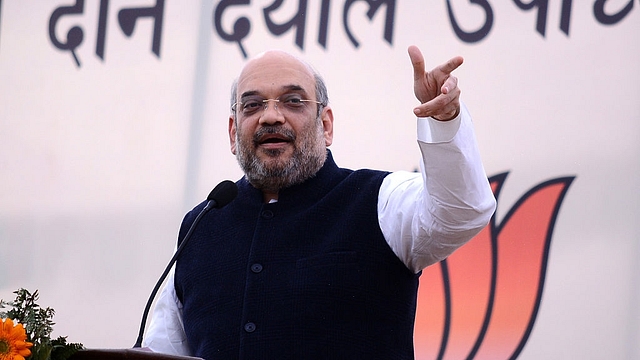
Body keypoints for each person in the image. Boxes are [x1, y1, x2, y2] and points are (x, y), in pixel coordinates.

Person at [143, 46, 496, 359]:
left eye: (293, 101)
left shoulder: (379, 200)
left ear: (325, 125)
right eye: (252, 105)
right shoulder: (202, 226)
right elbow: (163, 350)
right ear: (234, 132)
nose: (270, 116)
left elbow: (461, 211)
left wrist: (444, 120)